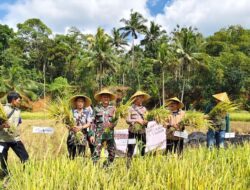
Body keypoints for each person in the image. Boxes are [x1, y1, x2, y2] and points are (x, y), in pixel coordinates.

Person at [0, 91, 29, 178]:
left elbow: (18, 122)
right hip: (2, 140)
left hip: (15, 139)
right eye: (18, 100)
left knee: (25, 157)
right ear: (13, 100)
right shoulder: (2, 110)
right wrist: (2, 125)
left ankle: (26, 175)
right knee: (3, 160)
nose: (20, 102)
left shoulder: (18, 111)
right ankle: (6, 176)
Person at [92, 89, 117, 167]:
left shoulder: (113, 108)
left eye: (107, 97)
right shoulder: (96, 109)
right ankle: (95, 169)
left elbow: (116, 120)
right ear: (101, 99)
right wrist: (92, 134)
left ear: (109, 99)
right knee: (96, 153)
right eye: (104, 97)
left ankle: (106, 166)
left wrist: (112, 124)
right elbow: (93, 122)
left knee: (112, 153)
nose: (106, 99)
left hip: (110, 134)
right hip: (99, 134)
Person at [126, 91, 150, 168]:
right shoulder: (130, 108)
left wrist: (145, 122)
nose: (141, 99)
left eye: (142, 97)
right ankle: (128, 166)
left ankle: (142, 165)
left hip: (142, 132)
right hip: (132, 132)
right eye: (140, 97)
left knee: (142, 148)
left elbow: (147, 119)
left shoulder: (144, 109)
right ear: (135, 99)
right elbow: (127, 120)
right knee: (131, 148)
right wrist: (136, 121)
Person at [67, 95, 95, 159]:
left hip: (83, 133)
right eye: (78, 101)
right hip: (73, 134)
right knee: (71, 154)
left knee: (81, 154)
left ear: (84, 103)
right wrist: (72, 128)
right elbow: (67, 123)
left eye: (82, 101)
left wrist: (81, 127)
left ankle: (81, 165)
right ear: (76, 102)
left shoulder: (87, 111)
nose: (80, 103)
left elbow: (89, 123)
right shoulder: (71, 111)